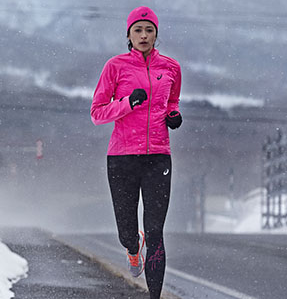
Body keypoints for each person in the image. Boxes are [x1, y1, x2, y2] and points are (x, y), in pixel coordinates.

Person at [90, 6, 182, 299]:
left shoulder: (171, 68)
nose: (144, 35)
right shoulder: (115, 67)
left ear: (157, 34)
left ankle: (154, 295)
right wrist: (128, 103)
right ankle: (132, 247)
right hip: (122, 158)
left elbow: (172, 101)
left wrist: (174, 115)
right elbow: (97, 113)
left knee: (155, 230)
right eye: (138, 30)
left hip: (158, 156)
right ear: (128, 34)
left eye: (149, 30)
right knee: (128, 232)